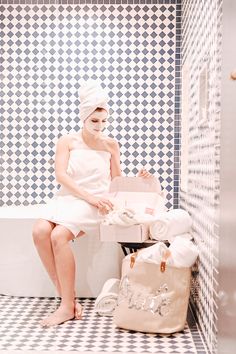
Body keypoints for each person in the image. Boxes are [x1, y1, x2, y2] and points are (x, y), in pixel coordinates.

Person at [32, 80, 152, 327]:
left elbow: (116, 179)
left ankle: (66, 307)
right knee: (40, 230)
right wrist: (87, 196)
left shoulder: (111, 144)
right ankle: (68, 297)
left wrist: (139, 179)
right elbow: (61, 175)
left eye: (104, 121)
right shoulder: (68, 141)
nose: (100, 126)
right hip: (70, 197)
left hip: (97, 202)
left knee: (58, 237)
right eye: (94, 121)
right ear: (84, 118)